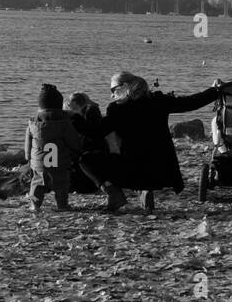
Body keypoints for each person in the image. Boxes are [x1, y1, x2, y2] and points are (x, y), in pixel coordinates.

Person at [79, 71, 219, 212]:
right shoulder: (158, 100)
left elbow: (95, 133)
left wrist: (73, 117)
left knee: (85, 160)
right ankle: (142, 190)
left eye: (113, 90)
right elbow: (191, 102)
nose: (111, 95)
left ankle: (115, 193)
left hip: (133, 171)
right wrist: (215, 91)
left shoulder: (118, 109)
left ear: (125, 86)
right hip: (161, 172)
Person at [23, 83, 84, 212]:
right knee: (61, 184)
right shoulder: (64, 122)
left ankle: (34, 205)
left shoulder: (33, 122)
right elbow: (73, 141)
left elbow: (28, 142)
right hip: (59, 162)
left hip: (39, 163)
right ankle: (62, 205)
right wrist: (77, 149)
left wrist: (28, 157)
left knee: (37, 184)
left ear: (40, 105)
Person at [67, 91, 104, 194]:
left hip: (81, 163)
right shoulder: (94, 114)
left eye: (69, 102)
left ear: (74, 103)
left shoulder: (78, 118)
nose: (68, 105)